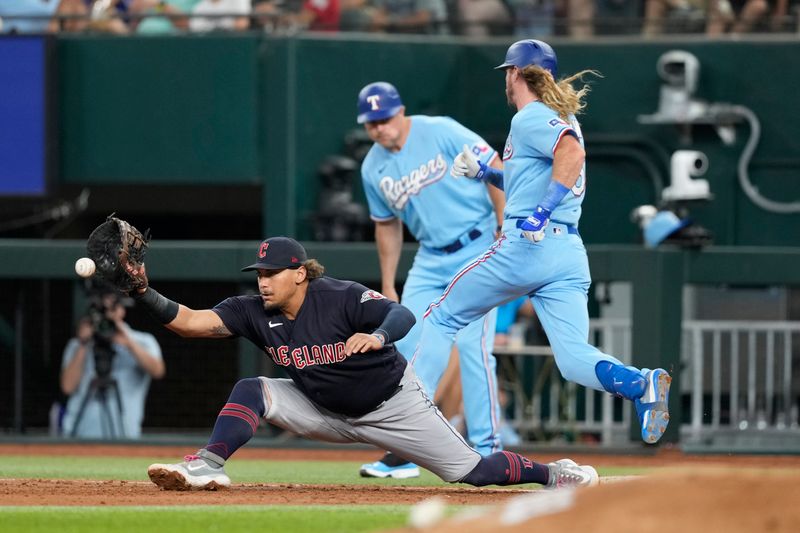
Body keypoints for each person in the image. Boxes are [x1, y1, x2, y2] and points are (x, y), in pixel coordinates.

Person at [124, 236, 597, 490]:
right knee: (254, 389)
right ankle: (209, 464)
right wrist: (142, 291)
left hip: (393, 406)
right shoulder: (251, 310)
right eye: (259, 273)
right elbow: (188, 323)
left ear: (300, 273)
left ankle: (551, 474)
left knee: (474, 472)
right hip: (322, 408)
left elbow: (403, 313)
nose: (263, 281)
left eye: (271, 273)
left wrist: (377, 335)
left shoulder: (340, 296)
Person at [413, 39, 672, 446]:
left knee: (440, 315)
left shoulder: (530, 116)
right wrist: (486, 173)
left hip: (527, 245)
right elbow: (533, 178)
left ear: (515, 73)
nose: (506, 80)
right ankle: (641, 385)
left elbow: (571, 155)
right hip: (566, 252)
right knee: (572, 359)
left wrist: (541, 212)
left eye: (507, 73)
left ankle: (409, 419)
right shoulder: (558, 114)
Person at [356, 81, 505, 478]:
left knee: (475, 345)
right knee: (407, 346)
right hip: (429, 256)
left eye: (385, 119)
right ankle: (409, 449)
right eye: (372, 123)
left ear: (400, 111)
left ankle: (491, 448)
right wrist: (388, 282)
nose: (380, 128)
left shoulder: (439, 130)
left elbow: (496, 167)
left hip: (479, 244)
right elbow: (386, 226)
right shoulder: (372, 167)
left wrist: (505, 223)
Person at [60, 292, 165, 439]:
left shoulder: (142, 341)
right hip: (80, 436)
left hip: (125, 435)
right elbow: (67, 387)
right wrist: (83, 344)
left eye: (112, 308)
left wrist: (129, 343)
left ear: (122, 310)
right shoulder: (78, 344)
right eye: (103, 309)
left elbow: (158, 371)